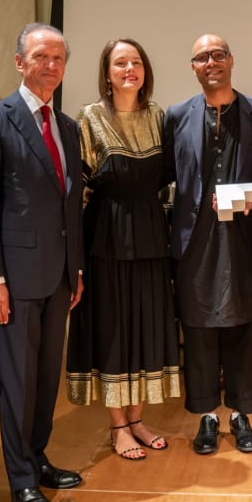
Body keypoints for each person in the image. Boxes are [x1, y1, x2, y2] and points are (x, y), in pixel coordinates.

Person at [0, 22, 84, 502]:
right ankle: (19, 482)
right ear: (19, 62)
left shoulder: (69, 128)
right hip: (12, 277)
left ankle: (37, 458)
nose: (50, 66)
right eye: (40, 56)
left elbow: (70, 205)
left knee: (44, 377)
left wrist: (75, 267)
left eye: (58, 58)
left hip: (59, 275)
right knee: (15, 382)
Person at [66, 38, 180, 461]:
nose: (129, 68)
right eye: (120, 62)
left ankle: (137, 420)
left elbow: (168, 179)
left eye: (136, 61)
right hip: (107, 239)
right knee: (115, 331)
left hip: (151, 235)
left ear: (145, 70)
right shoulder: (89, 118)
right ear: (107, 72)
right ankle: (118, 426)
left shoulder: (158, 116)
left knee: (146, 327)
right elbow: (77, 190)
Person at [162, 34, 252, 455]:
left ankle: (241, 415)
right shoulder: (176, 116)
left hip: (243, 237)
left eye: (218, 54)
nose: (211, 62)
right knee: (199, 327)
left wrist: (240, 198)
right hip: (194, 241)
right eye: (202, 57)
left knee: (242, 324)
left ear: (231, 60)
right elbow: (167, 174)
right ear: (193, 67)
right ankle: (207, 416)